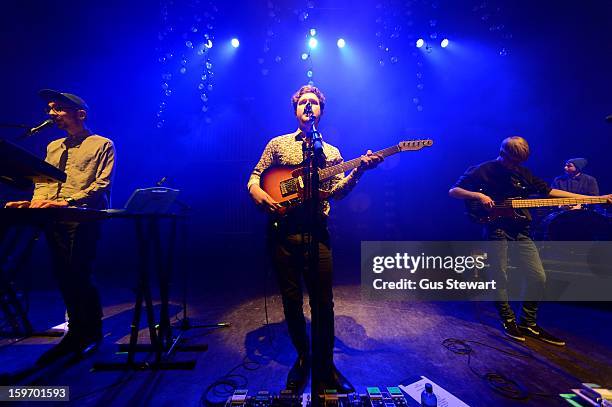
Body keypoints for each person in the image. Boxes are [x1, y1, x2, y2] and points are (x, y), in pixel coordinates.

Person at [247, 85, 382, 394]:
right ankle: (303, 357)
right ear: (296, 109)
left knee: (324, 303)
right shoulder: (277, 144)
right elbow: (255, 177)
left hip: (317, 232)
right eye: (303, 102)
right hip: (282, 232)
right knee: (291, 301)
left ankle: (325, 365)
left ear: (321, 110)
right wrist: (258, 193)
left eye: (314, 103)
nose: (308, 106)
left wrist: (360, 171)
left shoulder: (331, 153)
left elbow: (337, 192)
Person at [449, 136, 611, 345]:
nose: (514, 165)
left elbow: (550, 192)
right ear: (503, 153)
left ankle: (528, 322)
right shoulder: (484, 169)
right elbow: (454, 191)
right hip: (497, 229)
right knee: (500, 277)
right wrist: (479, 197)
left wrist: (594, 199)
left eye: (518, 162)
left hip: (521, 231)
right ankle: (508, 320)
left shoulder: (523, 173)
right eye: (512, 160)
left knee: (538, 277)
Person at [5, 89, 116, 364]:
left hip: (84, 216)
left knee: (79, 272)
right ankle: (79, 331)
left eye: (58, 109)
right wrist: (32, 204)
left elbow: (101, 184)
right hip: (54, 219)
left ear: (80, 114)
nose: (52, 114)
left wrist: (66, 201)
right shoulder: (53, 147)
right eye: (50, 109)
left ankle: (88, 332)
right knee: (64, 275)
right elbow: (43, 182)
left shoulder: (102, 144)